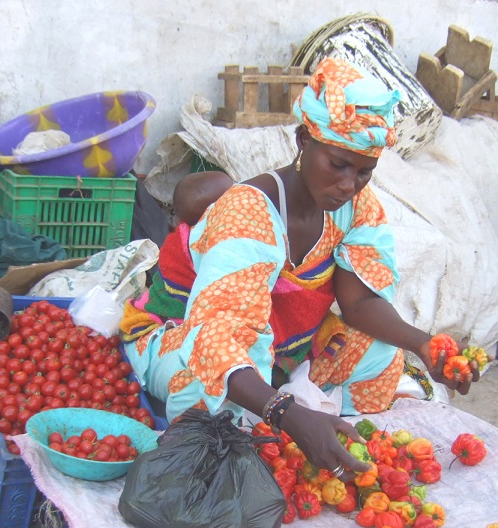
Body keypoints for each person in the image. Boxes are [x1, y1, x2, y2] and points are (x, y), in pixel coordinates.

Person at [119, 57, 482, 480]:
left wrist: (424, 345)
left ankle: (304, 420)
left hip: (279, 346)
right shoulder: (249, 213)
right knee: (207, 391)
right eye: (338, 165)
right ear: (303, 141)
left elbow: (360, 301)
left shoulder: (355, 207)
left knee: (381, 353)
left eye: (364, 172)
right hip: (185, 334)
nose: (349, 185)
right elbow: (216, 336)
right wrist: (285, 412)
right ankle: (277, 413)